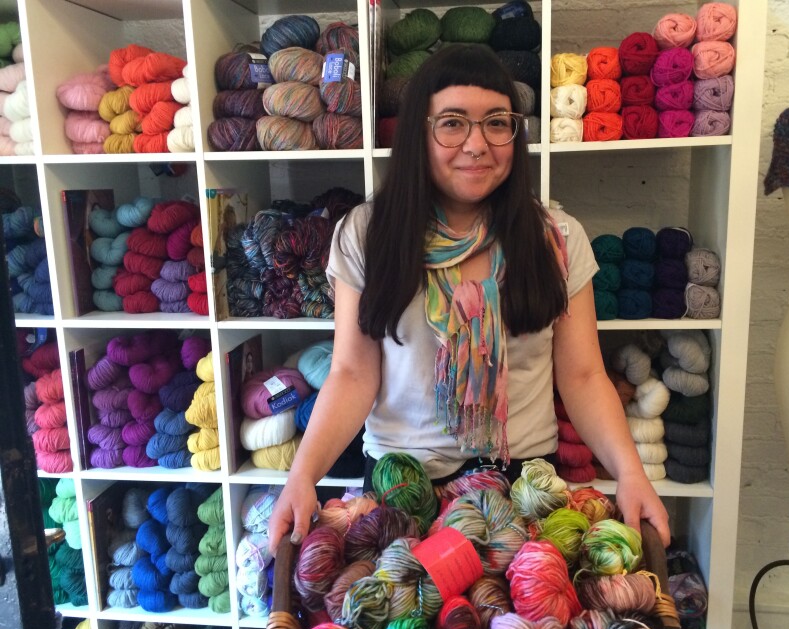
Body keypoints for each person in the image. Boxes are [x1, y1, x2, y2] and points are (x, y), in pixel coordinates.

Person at [268, 45, 669, 554]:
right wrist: (301, 476)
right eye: (453, 123)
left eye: (496, 123)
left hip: (521, 492)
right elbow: (351, 372)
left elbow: (584, 375)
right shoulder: (368, 234)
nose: (477, 144)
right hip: (400, 489)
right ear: (419, 132)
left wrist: (631, 474)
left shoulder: (557, 237)